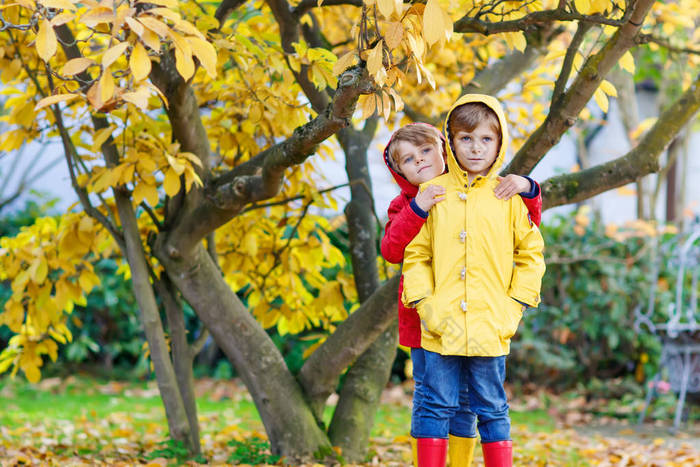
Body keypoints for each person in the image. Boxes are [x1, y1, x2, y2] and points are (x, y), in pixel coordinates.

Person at [381, 122, 542, 467]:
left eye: (426, 151)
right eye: (409, 159)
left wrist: (529, 187)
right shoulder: (407, 203)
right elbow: (395, 250)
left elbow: (525, 227)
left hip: (479, 317)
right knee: (432, 396)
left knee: (469, 399)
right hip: (423, 322)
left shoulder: (478, 192)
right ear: (399, 171)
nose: (421, 162)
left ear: (444, 149)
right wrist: (418, 208)